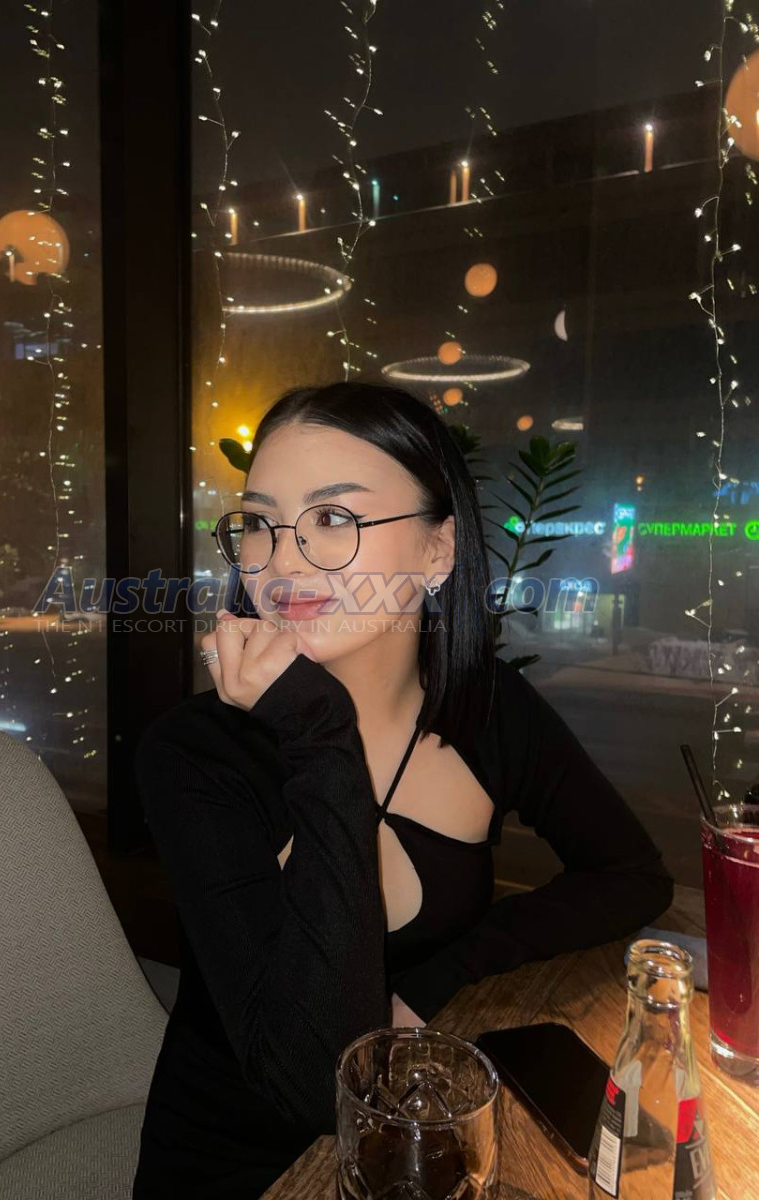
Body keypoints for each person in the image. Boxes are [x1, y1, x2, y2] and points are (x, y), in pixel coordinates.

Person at [131, 381, 674, 1199]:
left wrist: (434, 981)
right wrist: (319, 734)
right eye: (261, 523)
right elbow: (312, 1089)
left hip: (424, 1138)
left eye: (332, 517)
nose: (281, 561)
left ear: (437, 550)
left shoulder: (488, 711)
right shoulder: (196, 755)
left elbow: (631, 874)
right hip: (243, 1168)